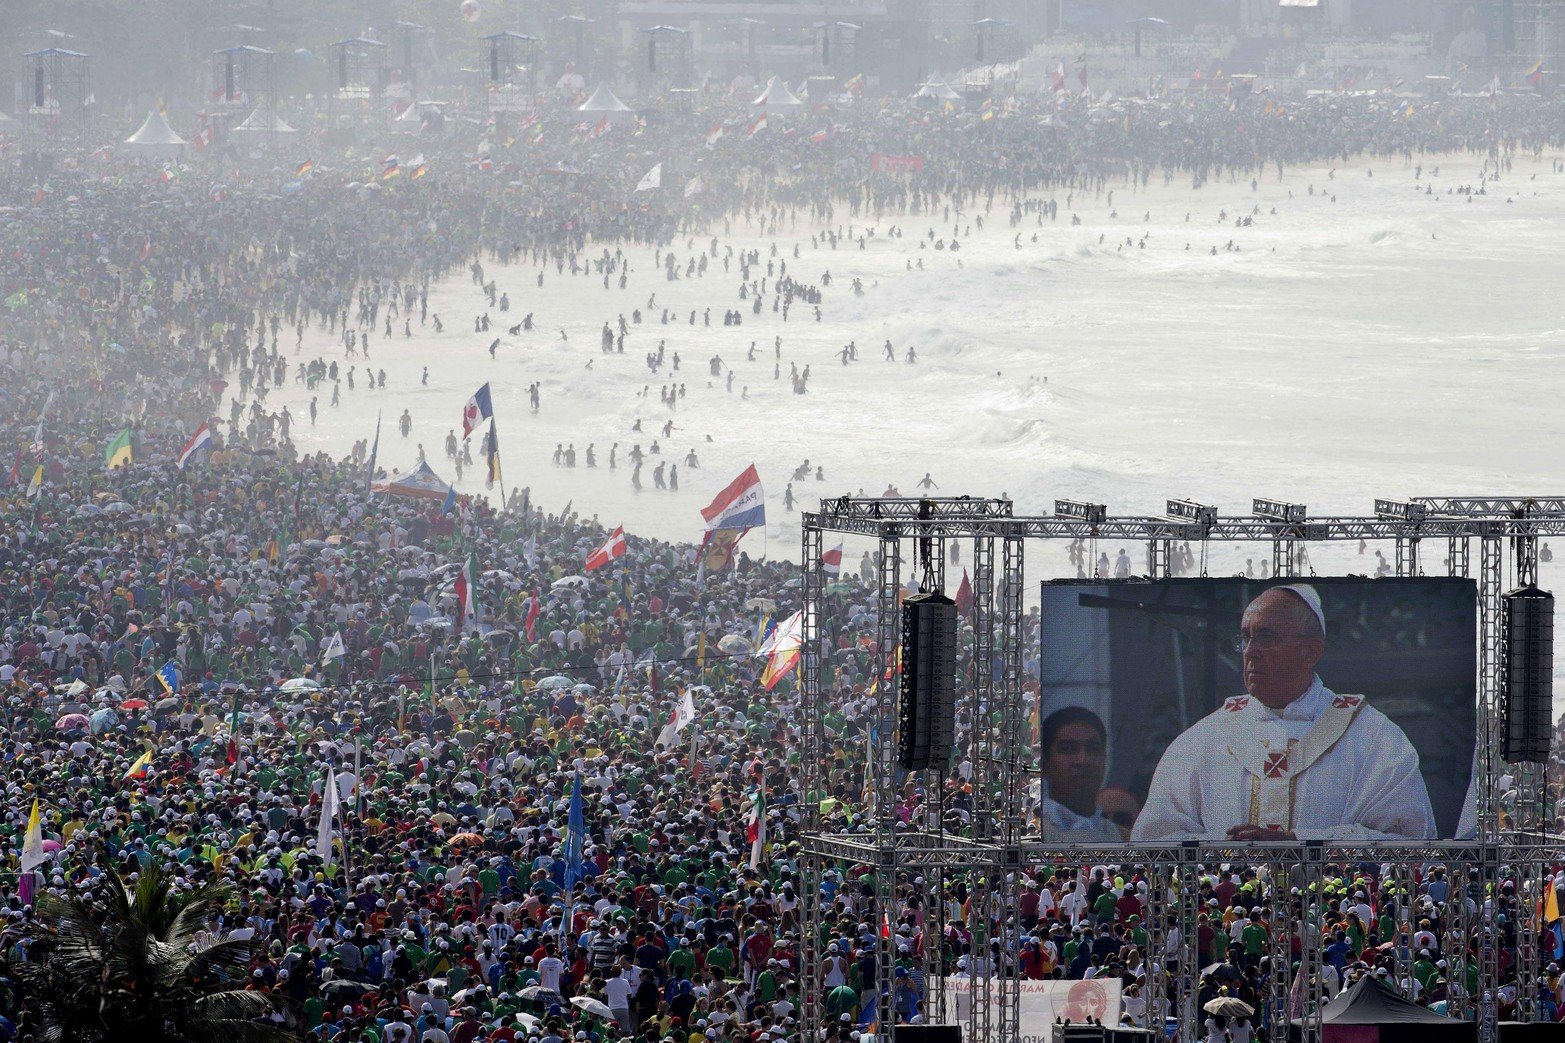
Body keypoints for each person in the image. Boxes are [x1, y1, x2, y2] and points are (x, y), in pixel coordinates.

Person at [1131, 584, 1437, 842]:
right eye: (1245, 637)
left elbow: (1410, 844)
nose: (1250, 651)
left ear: (1311, 651)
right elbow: (1154, 842)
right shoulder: (1203, 740)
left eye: (1266, 637)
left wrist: (1297, 843)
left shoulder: (1373, 738)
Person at [1036, 707, 1124, 842]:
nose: (1083, 760)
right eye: (1067, 749)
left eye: (1093, 749)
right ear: (1044, 764)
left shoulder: (1123, 838)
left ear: (1104, 759)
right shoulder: (1029, 835)